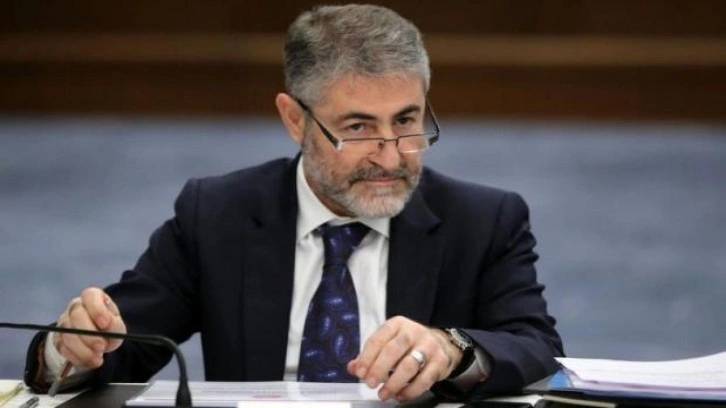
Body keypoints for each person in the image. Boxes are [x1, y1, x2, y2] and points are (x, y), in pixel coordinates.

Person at [24, 3, 563, 402]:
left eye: (406, 120)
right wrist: (72, 347)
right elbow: (122, 345)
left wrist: (451, 348)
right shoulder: (218, 214)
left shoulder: (483, 220)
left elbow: (537, 347)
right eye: (358, 128)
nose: (391, 155)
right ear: (294, 120)